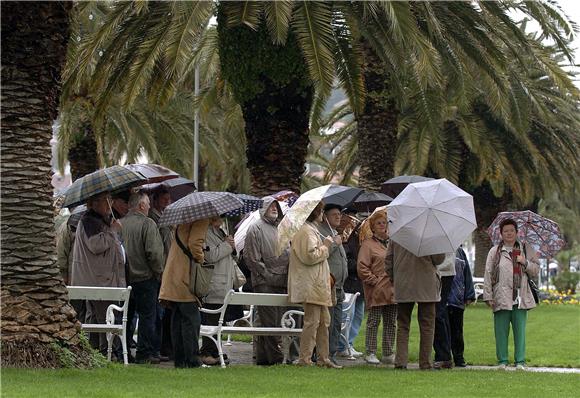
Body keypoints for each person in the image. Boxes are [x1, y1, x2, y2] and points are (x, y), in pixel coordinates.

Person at [288, 201, 342, 369]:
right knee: (312, 322)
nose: (322, 214)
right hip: (310, 285)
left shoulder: (311, 230)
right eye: (320, 211)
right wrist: (326, 246)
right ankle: (305, 358)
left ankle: (323, 357)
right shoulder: (305, 231)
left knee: (324, 322)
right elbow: (310, 257)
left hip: (318, 285)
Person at [70, 192, 125, 355]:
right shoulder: (89, 221)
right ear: (95, 203)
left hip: (99, 279)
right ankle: (108, 352)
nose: (110, 204)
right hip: (98, 280)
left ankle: (97, 352)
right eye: (106, 200)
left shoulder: (97, 220)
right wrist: (112, 231)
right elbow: (96, 245)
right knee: (105, 317)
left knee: (96, 317)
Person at [483, 218, 539, 370]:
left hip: (520, 297)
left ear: (517, 232)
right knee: (500, 332)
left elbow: (535, 271)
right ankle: (502, 361)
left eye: (512, 230)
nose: (509, 233)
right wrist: (487, 296)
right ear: (501, 233)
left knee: (520, 332)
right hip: (500, 296)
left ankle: (520, 361)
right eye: (505, 231)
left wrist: (525, 261)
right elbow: (488, 274)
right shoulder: (494, 251)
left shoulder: (525, 248)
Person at [244, 197, 291, 365]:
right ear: (263, 208)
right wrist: (268, 275)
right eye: (270, 206)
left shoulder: (281, 228)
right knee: (269, 323)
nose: (274, 208)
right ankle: (275, 359)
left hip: (282, 281)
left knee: (274, 321)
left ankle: (264, 358)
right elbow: (252, 259)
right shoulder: (255, 228)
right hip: (265, 282)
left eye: (276, 206)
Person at [159, 218, 210, 368]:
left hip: (174, 274)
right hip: (185, 275)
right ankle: (192, 360)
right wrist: (202, 260)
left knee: (178, 319)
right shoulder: (201, 220)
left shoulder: (184, 222)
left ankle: (180, 360)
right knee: (191, 319)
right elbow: (195, 245)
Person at [385, 241, 445, 370]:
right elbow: (439, 259)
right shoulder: (431, 235)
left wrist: (395, 278)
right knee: (427, 325)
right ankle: (425, 363)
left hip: (403, 283)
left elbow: (388, 260)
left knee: (402, 324)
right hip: (426, 284)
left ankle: (400, 362)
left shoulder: (399, 234)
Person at [121, 191, 165, 364]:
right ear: (141, 205)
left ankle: (123, 351)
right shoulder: (148, 224)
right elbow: (154, 253)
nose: (149, 207)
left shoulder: (120, 224)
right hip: (145, 278)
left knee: (126, 316)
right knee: (147, 316)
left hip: (124, 279)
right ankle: (144, 353)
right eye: (147, 203)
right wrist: (158, 272)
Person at [357, 209, 397, 365]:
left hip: (393, 289)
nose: (382, 225)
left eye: (384, 223)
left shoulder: (392, 242)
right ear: (372, 227)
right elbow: (362, 267)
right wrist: (374, 281)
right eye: (379, 223)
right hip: (376, 290)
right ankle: (371, 352)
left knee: (391, 322)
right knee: (374, 321)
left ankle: (388, 352)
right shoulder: (368, 245)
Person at [199, 216, 237, 366]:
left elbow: (232, 255)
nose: (222, 220)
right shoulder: (206, 233)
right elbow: (210, 256)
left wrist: (233, 246)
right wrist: (227, 245)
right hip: (214, 282)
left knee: (220, 319)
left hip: (226, 283)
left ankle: (215, 350)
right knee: (212, 317)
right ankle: (207, 351)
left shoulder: (221, 232)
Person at [318, 204, 348, 364]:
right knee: (327, 323)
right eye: (334, 214)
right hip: (328, 285)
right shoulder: (322, 233)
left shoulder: (335, 233)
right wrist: (335, 243)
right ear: (325, 217)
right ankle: (325, 355)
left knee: (336, 323)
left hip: (339, 287)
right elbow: (322, 254)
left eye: (339, 214)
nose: (338, 217)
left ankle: (332, 354)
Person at [148, 188, 173, 361]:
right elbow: (158, 248)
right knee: (157, 312)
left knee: (161, 312)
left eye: (168, 199)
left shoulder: (163, 218)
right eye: (164, 199)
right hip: (159, 270)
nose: (167, 202)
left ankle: (161, 347)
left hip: (164, 268)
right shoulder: (154, 219)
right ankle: (157, 348)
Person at [337, 209, 364, 359]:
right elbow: (347, 261)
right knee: (347, 315)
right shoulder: (344, 237)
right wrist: (360, 265)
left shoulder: (361, 237)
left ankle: (350, 343)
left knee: (357, 315)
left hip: (360, 283)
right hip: (349, 283)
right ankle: (343, 345)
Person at [447, 246, 476, 367]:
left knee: (457, 330)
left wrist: (469, 295)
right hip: (441, 298)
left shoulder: (460, 252)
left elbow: (467, 274)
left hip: (457, 298)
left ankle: (459, 357)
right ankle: (444, 356)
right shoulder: (437, 249)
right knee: (442, 330)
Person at [433, 252, 456, 369]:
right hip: (435, 270)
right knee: (440, 313)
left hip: (444, 271)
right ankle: (444, 355)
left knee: (438, 313)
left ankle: (443, 356)